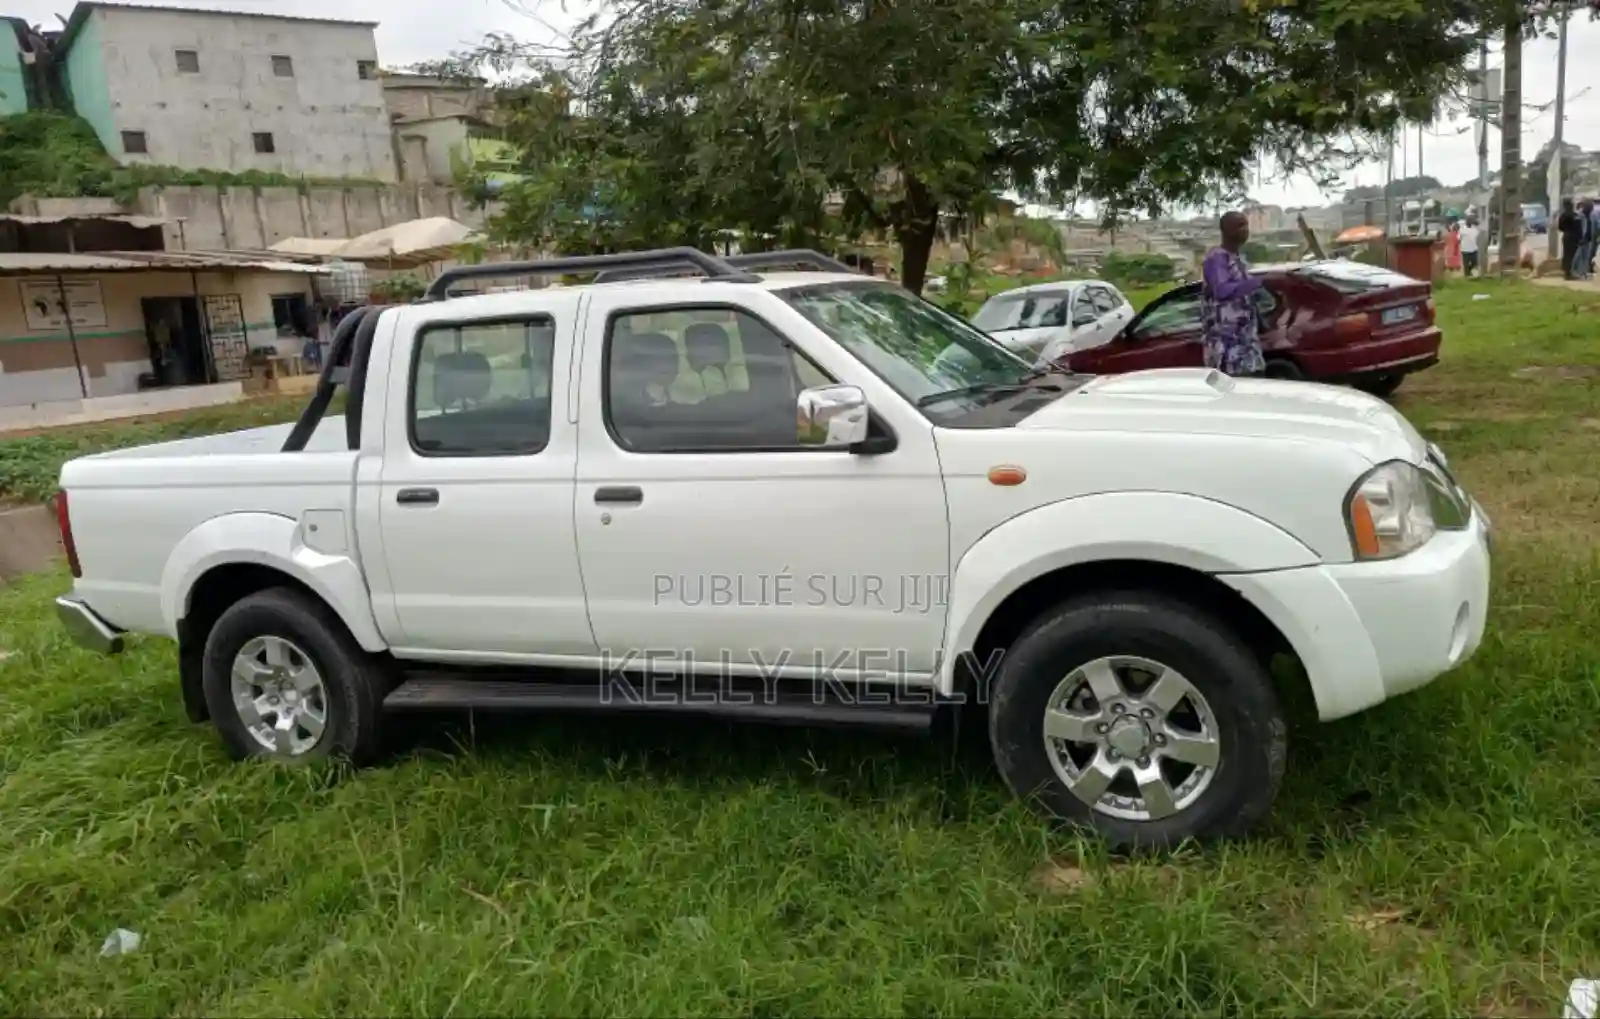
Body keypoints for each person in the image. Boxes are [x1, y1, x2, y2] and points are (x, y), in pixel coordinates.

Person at [1200, 211, 1266, 377]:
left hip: (1246, 345)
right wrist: (1256, 282)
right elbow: (1221, 291)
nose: (1245, 230)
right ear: (1225, 229)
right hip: (1225, 348)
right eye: (1239, 226)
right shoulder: (1216, 258)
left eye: (1246, 225)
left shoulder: (1239, 259)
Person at [1558, 198, 1585, 280]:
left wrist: (1566, 230)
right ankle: (1570, 273)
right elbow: (1579, 228)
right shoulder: (1575, 216)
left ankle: (1567, 273)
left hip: (1566, 236)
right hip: (1573, 237)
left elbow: (1560, 227)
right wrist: (1580, 238)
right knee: (1572, 256)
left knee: (1566, 255)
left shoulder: (1562, 215)